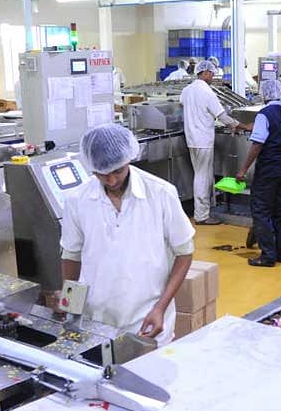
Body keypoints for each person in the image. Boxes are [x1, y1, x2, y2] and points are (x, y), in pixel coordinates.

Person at [59, 123, 195, 344]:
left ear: (129, 159)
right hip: (96, 319)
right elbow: (71, 255)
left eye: (117, 171)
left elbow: (184, 253)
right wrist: (70, 306)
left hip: (147, 319)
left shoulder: (160, 193)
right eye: (102, 174)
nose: (111, 181)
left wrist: (160, 308)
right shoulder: (77, 200)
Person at [236, 79, 281, 267]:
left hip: (268, 171)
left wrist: (243, 169)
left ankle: (267, 256)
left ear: (264, 94)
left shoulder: (264, 115)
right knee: (280, 213)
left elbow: (257, 144)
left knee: (261, 212)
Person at [180, 60, 249, 225]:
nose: (212, 77)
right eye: (211, 74)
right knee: (203, 176)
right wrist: (241, 126)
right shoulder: (207, 92)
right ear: (205, 73)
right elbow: (222, 116)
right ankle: (202, 216)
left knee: (200, 174)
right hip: (203, 139)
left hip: (191, 138)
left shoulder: (187, 90)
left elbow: (184, 104)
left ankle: (204, 209)